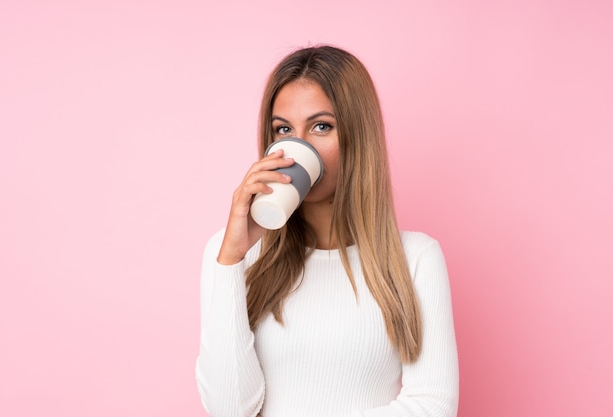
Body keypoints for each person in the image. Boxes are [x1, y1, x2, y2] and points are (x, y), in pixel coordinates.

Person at [195, 45, 459, 417]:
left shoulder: (415, 258)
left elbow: (433, 407)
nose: (297, 146)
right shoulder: (230, 255)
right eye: (283, 129)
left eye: (321, 126)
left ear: (357, 137)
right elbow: (229, 410)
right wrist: (230, 261)